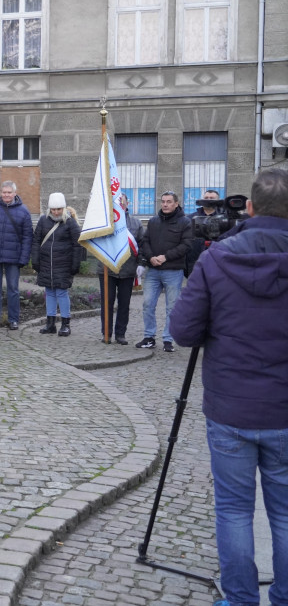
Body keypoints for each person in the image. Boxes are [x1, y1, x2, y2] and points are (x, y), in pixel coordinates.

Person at [169, 168, 288, 606]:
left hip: (232, 409)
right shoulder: (216, 255)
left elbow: (182, 330)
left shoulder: (218, 257)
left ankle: (240, 600)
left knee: (235, 510)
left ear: (249, 207)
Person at [135, 190, 192, 352]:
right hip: (153, 270)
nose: (165, 204)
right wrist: (151, 257)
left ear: (176, 204)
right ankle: (149, 337)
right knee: (147, 304)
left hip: (173, 271)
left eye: (169, 202)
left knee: (172, 307)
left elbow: (186, 245)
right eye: (163, 201)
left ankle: (168, 339)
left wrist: (166, 257)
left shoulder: (185, 222)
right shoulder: (153, 221)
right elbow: (145, 242)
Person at [0, 180, 33, 330]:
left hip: (14, 258)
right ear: (1, 193)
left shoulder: (24, 211)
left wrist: (24, 258)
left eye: (9, 192)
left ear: (15, 193)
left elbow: (28, 237)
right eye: (4, 192)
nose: (6, 195)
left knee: (13, 290)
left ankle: (13, 319)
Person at [30, 193, 83, 336]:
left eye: (59, 209)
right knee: (50, 293)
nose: (56, 212)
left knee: (61, 292)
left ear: (63, 208)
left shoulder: (70, 223)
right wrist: (35, 260)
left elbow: (77, 245)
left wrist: (75, 265)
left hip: (64, 264)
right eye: (53, 209)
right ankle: (50, 323)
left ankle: (66, 324)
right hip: (46, 263)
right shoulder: (43, 221)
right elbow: (36, 241)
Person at [97, 193, 137, 344]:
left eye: (123, 203)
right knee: (106, 303)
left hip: (127, 270)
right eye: (117, 203)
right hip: (107, 269)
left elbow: (141, 243)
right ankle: (106, 333)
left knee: (124, 304)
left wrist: (140, 264)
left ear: (127, 204)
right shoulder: (105, 222)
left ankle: (121, 334)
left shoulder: (135, 223)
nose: (120, 205)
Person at [185, 188, 220, 278]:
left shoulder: (224, 218)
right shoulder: (190, 219)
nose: (208, 200)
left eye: (211, 198)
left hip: (218, 263)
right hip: (195, 263)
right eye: (206, 198)